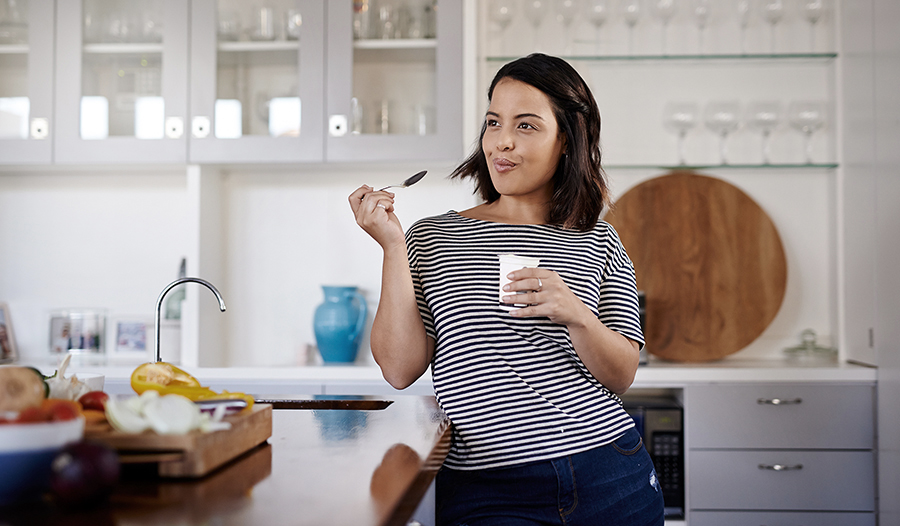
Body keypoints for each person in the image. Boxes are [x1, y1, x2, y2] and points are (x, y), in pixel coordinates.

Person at [349, 53, 664, 526]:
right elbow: (398, 369)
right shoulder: (433, 237)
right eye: (493, 122)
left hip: (610, 475)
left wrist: (575, 313)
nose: (503, 142)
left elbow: (622, 375)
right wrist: (392, 247)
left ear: (566, 141)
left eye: (527, 126)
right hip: (489, 489)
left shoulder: (597, 238)